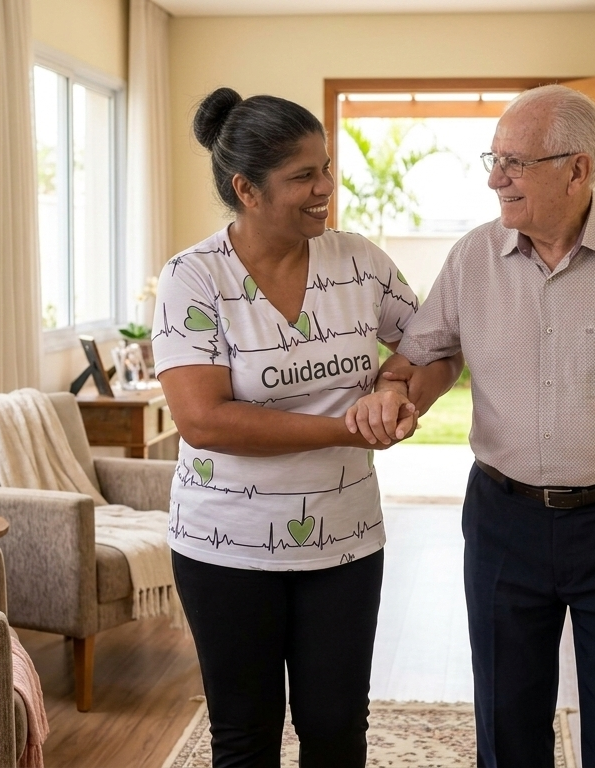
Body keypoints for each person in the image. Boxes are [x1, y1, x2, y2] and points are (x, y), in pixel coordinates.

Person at [348, 84, 595, 767]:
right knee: (507, 720)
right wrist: (391, 390)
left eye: (515, 163)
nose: (495, 179)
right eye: (491, 159)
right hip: (504, 520)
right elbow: (419, 355)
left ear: (577, 169)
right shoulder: (473, 257)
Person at [152, 87, 451, 768]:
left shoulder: (358, 261)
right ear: (246, 190)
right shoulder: (194, 278)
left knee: (336, 728)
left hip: (344, 543)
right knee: (245, 734)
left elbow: (435, 345)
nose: (324, 189)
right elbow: (204, 421)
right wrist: (350, 429)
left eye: (325, 168)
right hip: (225, 547)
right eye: (302, 177)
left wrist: (399, 394)